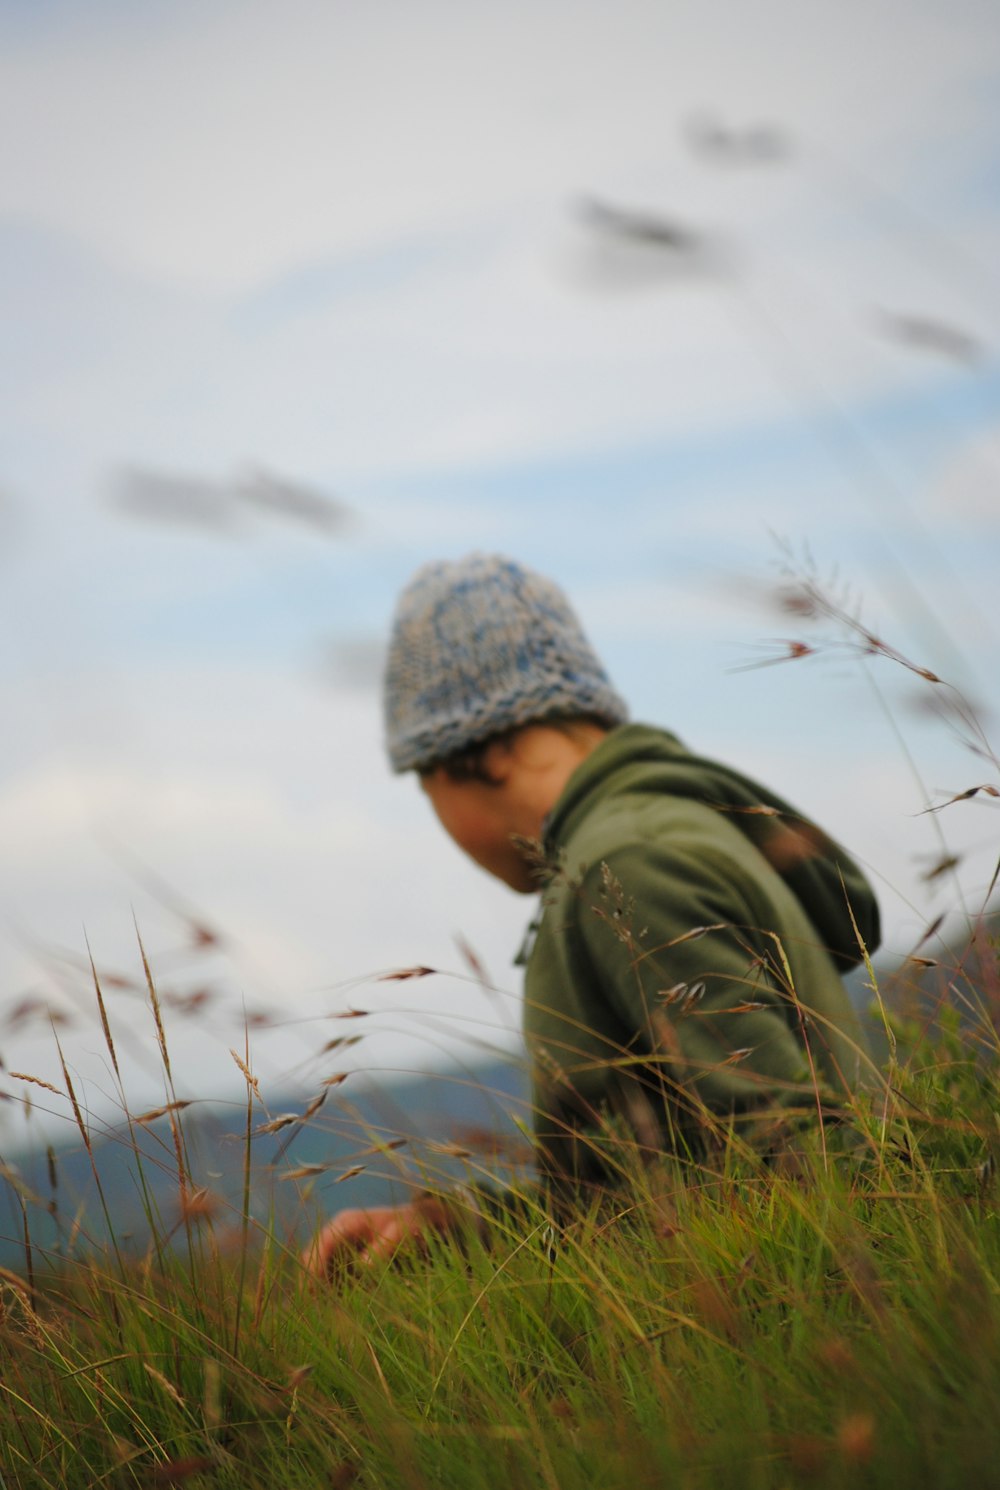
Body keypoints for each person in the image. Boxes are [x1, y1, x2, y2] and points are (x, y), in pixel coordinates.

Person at [304, 553, 879, 1272]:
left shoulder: (626, 863)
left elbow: (800, 1165)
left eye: (427, 787)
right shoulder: (669, 832)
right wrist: (461, 1226)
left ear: (489, 753)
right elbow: (664, 1196)